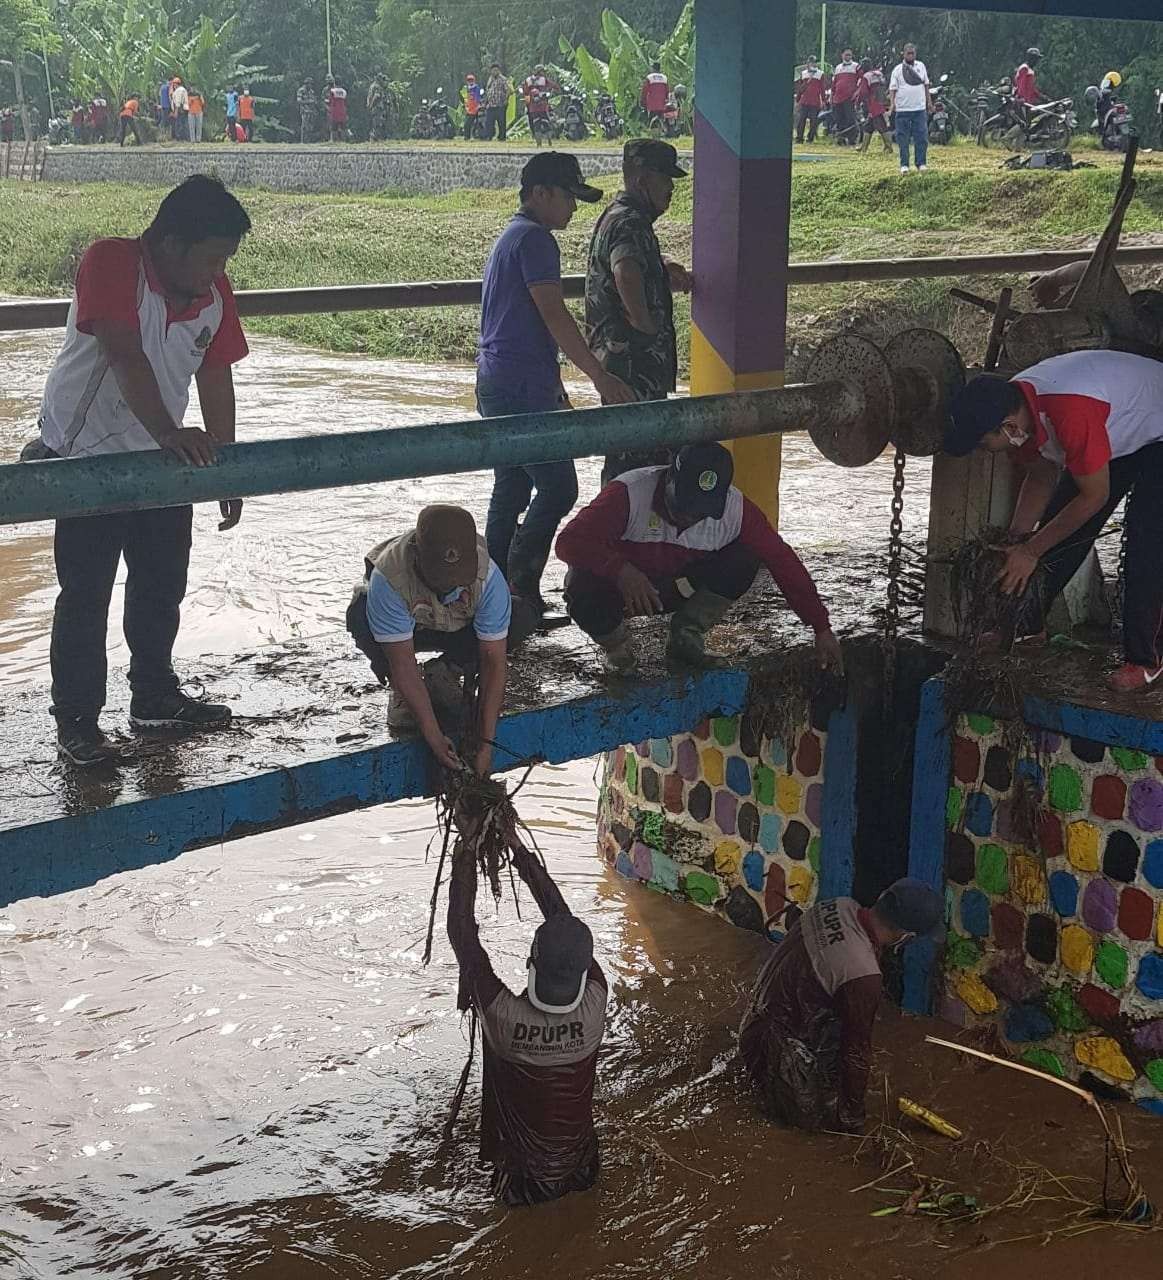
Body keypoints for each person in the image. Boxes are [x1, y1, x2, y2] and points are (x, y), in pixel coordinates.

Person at [31, 176, 251, 766]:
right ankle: (77, 721)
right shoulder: (113, 261)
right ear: (172, 243)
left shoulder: (213, 290)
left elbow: (215, 372)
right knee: (86, 594)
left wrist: (222, 464)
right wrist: (173, 435)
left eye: (224, 260)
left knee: (161, 585)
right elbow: (122, 351)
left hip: (162, 463)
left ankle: (154, 698)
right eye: (211, 257)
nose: (216, 271)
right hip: (87, 460)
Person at [945, 353, 1163, 693]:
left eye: (984, 443)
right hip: (1122, 425)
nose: (985, 451)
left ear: (1009, 427)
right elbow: (1040, 476)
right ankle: (1027, 626)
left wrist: (1030, 551)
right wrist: (1017, 541)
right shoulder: (1020, 410)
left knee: (1146, 543)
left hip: (1157, 429)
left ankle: (1146, 661)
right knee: (1056, 526)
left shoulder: (1070, 409)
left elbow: (1094, 497)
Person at [477, 152, 634, 617]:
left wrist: (558, 389)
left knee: (511, 487)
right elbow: (553, 314)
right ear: (540, 193)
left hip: (500, 379)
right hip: (520, 385)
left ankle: (497, 594)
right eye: (567, 196)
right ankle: (521, 584)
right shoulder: (536, 240)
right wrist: (599, 374)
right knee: (559, 486)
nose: (572, 208)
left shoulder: (513, 236)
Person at [556, 443, 845, 673]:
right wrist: (620, 570)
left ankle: (687, 635)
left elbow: (784, 563)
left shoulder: (738, 510)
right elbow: (568, 542)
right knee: (580, 582)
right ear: (669, 476)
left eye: (701, 510)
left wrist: (820, 627)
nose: (690, 517)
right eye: (684, 505)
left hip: (678, 587)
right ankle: (618, 651)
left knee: (746, 558)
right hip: (621, 594)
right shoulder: (628, 493)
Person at [446, 833, 607, 1206]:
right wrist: (519, 853)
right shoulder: (596, 999)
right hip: (583, 1166)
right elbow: (564, 921)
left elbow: (462, 934)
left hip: (525, 1182)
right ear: (583, 973)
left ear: (532, 964)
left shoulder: (503, 1017)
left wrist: (469, 847)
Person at [739, 879, 944, 1133]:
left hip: (752, 1025)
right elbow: (856, 1052)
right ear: (906, 937)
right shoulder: (863, 974)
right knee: (814, 1125)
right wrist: (851, 1119)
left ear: (882, 897)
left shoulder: (838, 905)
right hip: (772, 1056)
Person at [345, 505, 534, 775]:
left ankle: (446, 671)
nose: (450, 587)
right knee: (359, 614)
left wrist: (485, 743)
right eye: (441, 579)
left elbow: (494, 661)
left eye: (457, 580)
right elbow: (403, 664)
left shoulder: (488, 576)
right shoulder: (388, 578)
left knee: (521, 615)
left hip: (459, 627)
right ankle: (400, 695)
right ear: (417, 557)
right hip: (411, 630)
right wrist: (434, 737)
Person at [585, 139, 692, 481]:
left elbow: (629, 263)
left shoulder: (622, 217)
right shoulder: (630, 221)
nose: (671, 188)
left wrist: (660, 268)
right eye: (665, 178)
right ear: (643, 178)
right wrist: (644, 325)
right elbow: (625, 271)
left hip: (628, 362)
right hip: (633, 363)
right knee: (634, 467)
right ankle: (617, 533)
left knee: (634, 460)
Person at [889, 42, 932, 174]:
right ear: (904, 54)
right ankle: (904, 165)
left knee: (922, 137)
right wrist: (892, 104)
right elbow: (893, 88)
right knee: (903, 138)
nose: (911, 55)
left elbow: (926, 85)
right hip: (903, 109)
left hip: (919, 108)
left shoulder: (921, 66)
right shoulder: (897, 70)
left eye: (913, 53)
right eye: (908, 53)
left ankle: (921, 163)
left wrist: (928, 102)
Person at [856, 58, 892, 152]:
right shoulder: (879, 74)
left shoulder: (866, 76)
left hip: (873, 103)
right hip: (881, 101)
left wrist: (859, 103)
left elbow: (863, 92)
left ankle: (889, 147)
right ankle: (864, 147)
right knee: (869, 126)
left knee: (880, 124)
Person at [830, 48, 861, 145]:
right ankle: (841, 139)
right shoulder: (838, 67)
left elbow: (862, 80)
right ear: (842, 55)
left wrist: (857, 92)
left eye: (850, 55)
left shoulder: (856, 66)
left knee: (850, 119)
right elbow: (834, 84)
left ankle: (852, 139)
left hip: (849, 98)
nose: (848, 57)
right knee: (839, 120)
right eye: (846, 55)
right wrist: (831, 97)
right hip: (837, 99)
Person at [795, 55, 827, 143]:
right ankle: (799, 138)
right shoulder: (804, 73)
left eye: (814, 62)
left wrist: (824, 101)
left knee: (813, 121)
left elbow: (822, 89)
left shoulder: (820, 74)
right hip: (804, 101)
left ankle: (810, 138)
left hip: (815, 102)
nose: (812, 63)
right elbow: (800, 88)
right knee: (801, 120)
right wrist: (798, 99)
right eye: (810, 62)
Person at [521, 66, 560, 137]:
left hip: (534, 104)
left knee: (532, 116)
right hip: (540, 103)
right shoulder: (543, 79)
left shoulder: (529, 79)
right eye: (542, 71)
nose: (544, 73)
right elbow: (554, 85)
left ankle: (536, 134)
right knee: (540, 116)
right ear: (539, 71)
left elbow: (525, 92)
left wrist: (527, 102)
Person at [484, 63, 512, 142]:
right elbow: (488, 91)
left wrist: (506, 100)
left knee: (501, 122)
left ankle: (502, 138)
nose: (494, 72)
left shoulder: (503, 79)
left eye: (496, 70)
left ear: (499, 71)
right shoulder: (490, 79)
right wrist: (486, 102)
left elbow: (508, 90)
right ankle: (489, 136)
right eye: (493, 70)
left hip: (500, 104)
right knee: (489, 122)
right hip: (491, 105)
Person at [641, 60, 669, 125]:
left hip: (652, 104)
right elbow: (667, 91)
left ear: (653, 68)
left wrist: (643, 100)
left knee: (651, 119)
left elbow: (644, 90)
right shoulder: (664, 78)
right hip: (662, 104)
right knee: (661, 119)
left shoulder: (649, 77)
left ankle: (652, 131)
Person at [324, 75, 348, 142]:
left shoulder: (332, 91)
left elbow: (329, 101)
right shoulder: (344, 91)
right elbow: (345, 102)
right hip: (342, 112)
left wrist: (325, 102)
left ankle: (334, 141)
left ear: (334, 82)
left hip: (334, 112)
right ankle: (343, 141)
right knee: (343, 128)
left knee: (334, 128)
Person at [296, 78, 318, 143]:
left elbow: (314, 100)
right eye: (310, 84)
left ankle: (309, 141)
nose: (311, 85)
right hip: (304, 110)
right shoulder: (301, 90)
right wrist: (308, 102)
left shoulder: (311, 91)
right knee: (304, 126)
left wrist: (314, 103)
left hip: (312, 111)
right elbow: (299, 101)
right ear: (306, 84)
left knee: (310, 127)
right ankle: (303, 141)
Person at [463, 72, 483, 139]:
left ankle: (469, 136)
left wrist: (477, 105)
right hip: (469, 109)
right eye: (469, 80)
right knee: (467, 124)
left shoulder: (476, 88)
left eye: (471, 80)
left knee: (469, 124)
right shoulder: (466, 89)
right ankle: (467, 137)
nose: (470, 81)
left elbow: (477, 98)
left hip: (475, 108)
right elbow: (465, 98)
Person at [367, 75, 387, 141]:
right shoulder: (377, 87)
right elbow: (376, 96)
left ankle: (374, 138)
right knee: (377, 124)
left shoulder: (372, 86)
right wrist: (371, 105)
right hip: (377, 107)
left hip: (373, 107)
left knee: (374, 123)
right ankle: (376, 138)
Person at [170, 78, 188, 143]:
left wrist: (176, 112)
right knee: (182, 123)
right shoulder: (182, 89)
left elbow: (178, 102)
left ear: (176, 84)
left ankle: (180, 138)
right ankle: (183, 138)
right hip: (182, 108)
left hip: (180, 109)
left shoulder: (179, 90)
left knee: (179, 124)